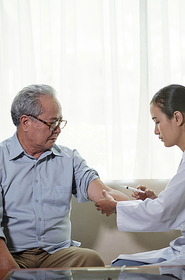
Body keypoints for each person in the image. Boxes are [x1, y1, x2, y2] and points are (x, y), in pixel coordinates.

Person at [0, 84, 130, 269]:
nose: (58, 129)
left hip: (58, 254)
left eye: (60, 122)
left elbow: (104, 193)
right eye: (51, 123)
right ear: (25, 122)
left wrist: (146, 208)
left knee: (90, 260)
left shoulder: (69, 158)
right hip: (13, 254)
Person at [95, 84, 185, 267]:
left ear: (177, 117)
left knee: (121, 269)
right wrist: (154, 199)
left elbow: (165, 212)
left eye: (157, 121)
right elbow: (181, 211)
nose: (156, 131)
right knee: (120, 264)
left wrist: (116, 206)